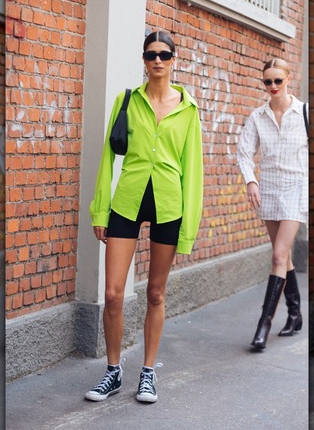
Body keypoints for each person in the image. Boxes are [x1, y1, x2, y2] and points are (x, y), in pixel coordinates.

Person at [86, 31, 203, 404]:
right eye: (151, 54)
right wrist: (100, 209)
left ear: (173, 60)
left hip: (169, 203)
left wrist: (188, 229)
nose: (157, 60)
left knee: (155, 293)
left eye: (164, 54)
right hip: (127, 200)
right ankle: (113, 371)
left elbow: (193, 172)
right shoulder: (126, 101)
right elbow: (108, 160)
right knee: (113, 294)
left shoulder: (188, 109)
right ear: (143, 59)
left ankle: (148, 373)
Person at [237, 58, 308, 349]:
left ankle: (263, 325)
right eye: (268, 81)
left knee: (279, 255)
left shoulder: (304, 112)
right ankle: (295, 314)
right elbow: (243, 153)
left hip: (296, 189)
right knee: (284, 257)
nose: (273, 86)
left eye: (278, 80)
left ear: (288, 79)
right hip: (269, 190)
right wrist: (251, 181)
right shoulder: (258, 117)